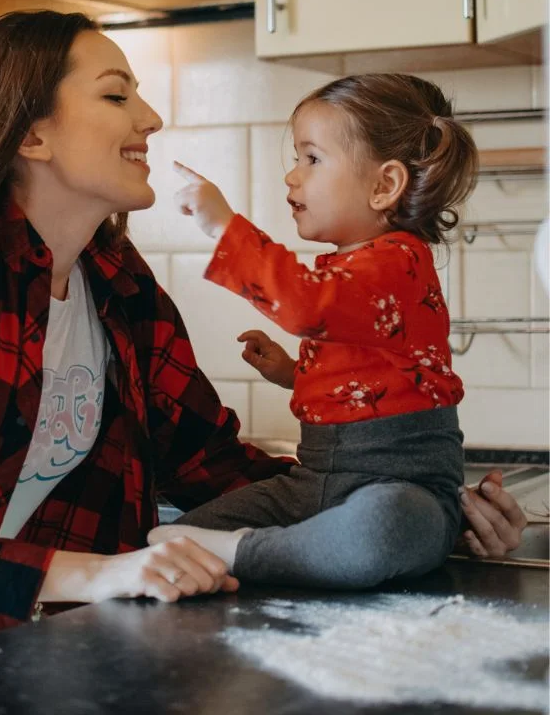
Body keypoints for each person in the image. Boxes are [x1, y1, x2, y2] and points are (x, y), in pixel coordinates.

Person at [0, 22, 525, 715]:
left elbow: (213, 467)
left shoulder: (116, 278)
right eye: (116, 95)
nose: (151, 119)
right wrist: (100, 573)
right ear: (31, 132)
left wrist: (417, 507)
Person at [149, 73, 527, 589]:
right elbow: (363, 371)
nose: (292, 176)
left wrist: (224, 227)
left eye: (311, 158)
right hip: (316, 479)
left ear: (383, 186)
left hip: (398, 483)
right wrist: (292, 371)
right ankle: (275, 551)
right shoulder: (357, 270)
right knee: (180, 536)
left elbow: (306, 305)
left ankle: (248, 552)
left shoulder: (398, 260)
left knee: (382, 529)